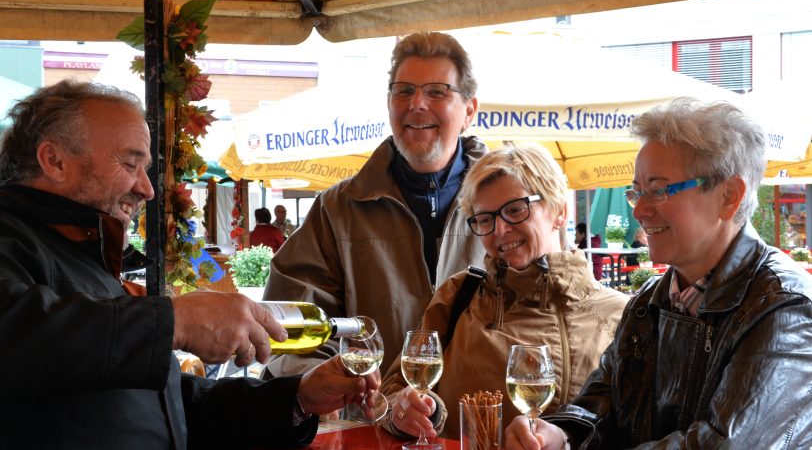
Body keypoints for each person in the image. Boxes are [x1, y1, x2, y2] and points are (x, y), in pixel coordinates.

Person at [0, 80, 381, 449]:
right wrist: (175, 320)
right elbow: (18, 335)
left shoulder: (85, 254)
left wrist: (297, 399)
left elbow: (168, 406)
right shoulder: (13, 237)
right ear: (54, 160)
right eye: (130, 165)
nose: (147, 189)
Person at [504, 98, 812, 450]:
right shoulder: (650, 300)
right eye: (637, 192)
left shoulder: (785, 307)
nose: (641, 211)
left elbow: (723, 445)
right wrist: (559, 435)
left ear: (729, 196)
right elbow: (599, 407)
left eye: (660, 190)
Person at [262, 31, 488, 378]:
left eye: (436, 92)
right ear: (389, 103)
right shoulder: (337, 211)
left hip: (482, 420)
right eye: (404, 91)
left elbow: (551, 315)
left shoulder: (511, 206)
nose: (417, 103)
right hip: (370, 422)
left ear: (469, 110)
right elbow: (287, 333)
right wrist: (340, 389)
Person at [380, 145, 628, 440]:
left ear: (559, 212)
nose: (499, 230)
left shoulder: (622, 315)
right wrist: (410, 411)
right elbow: (393, 391)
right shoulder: (460, 296)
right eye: (485, 219)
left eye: (515, 210)